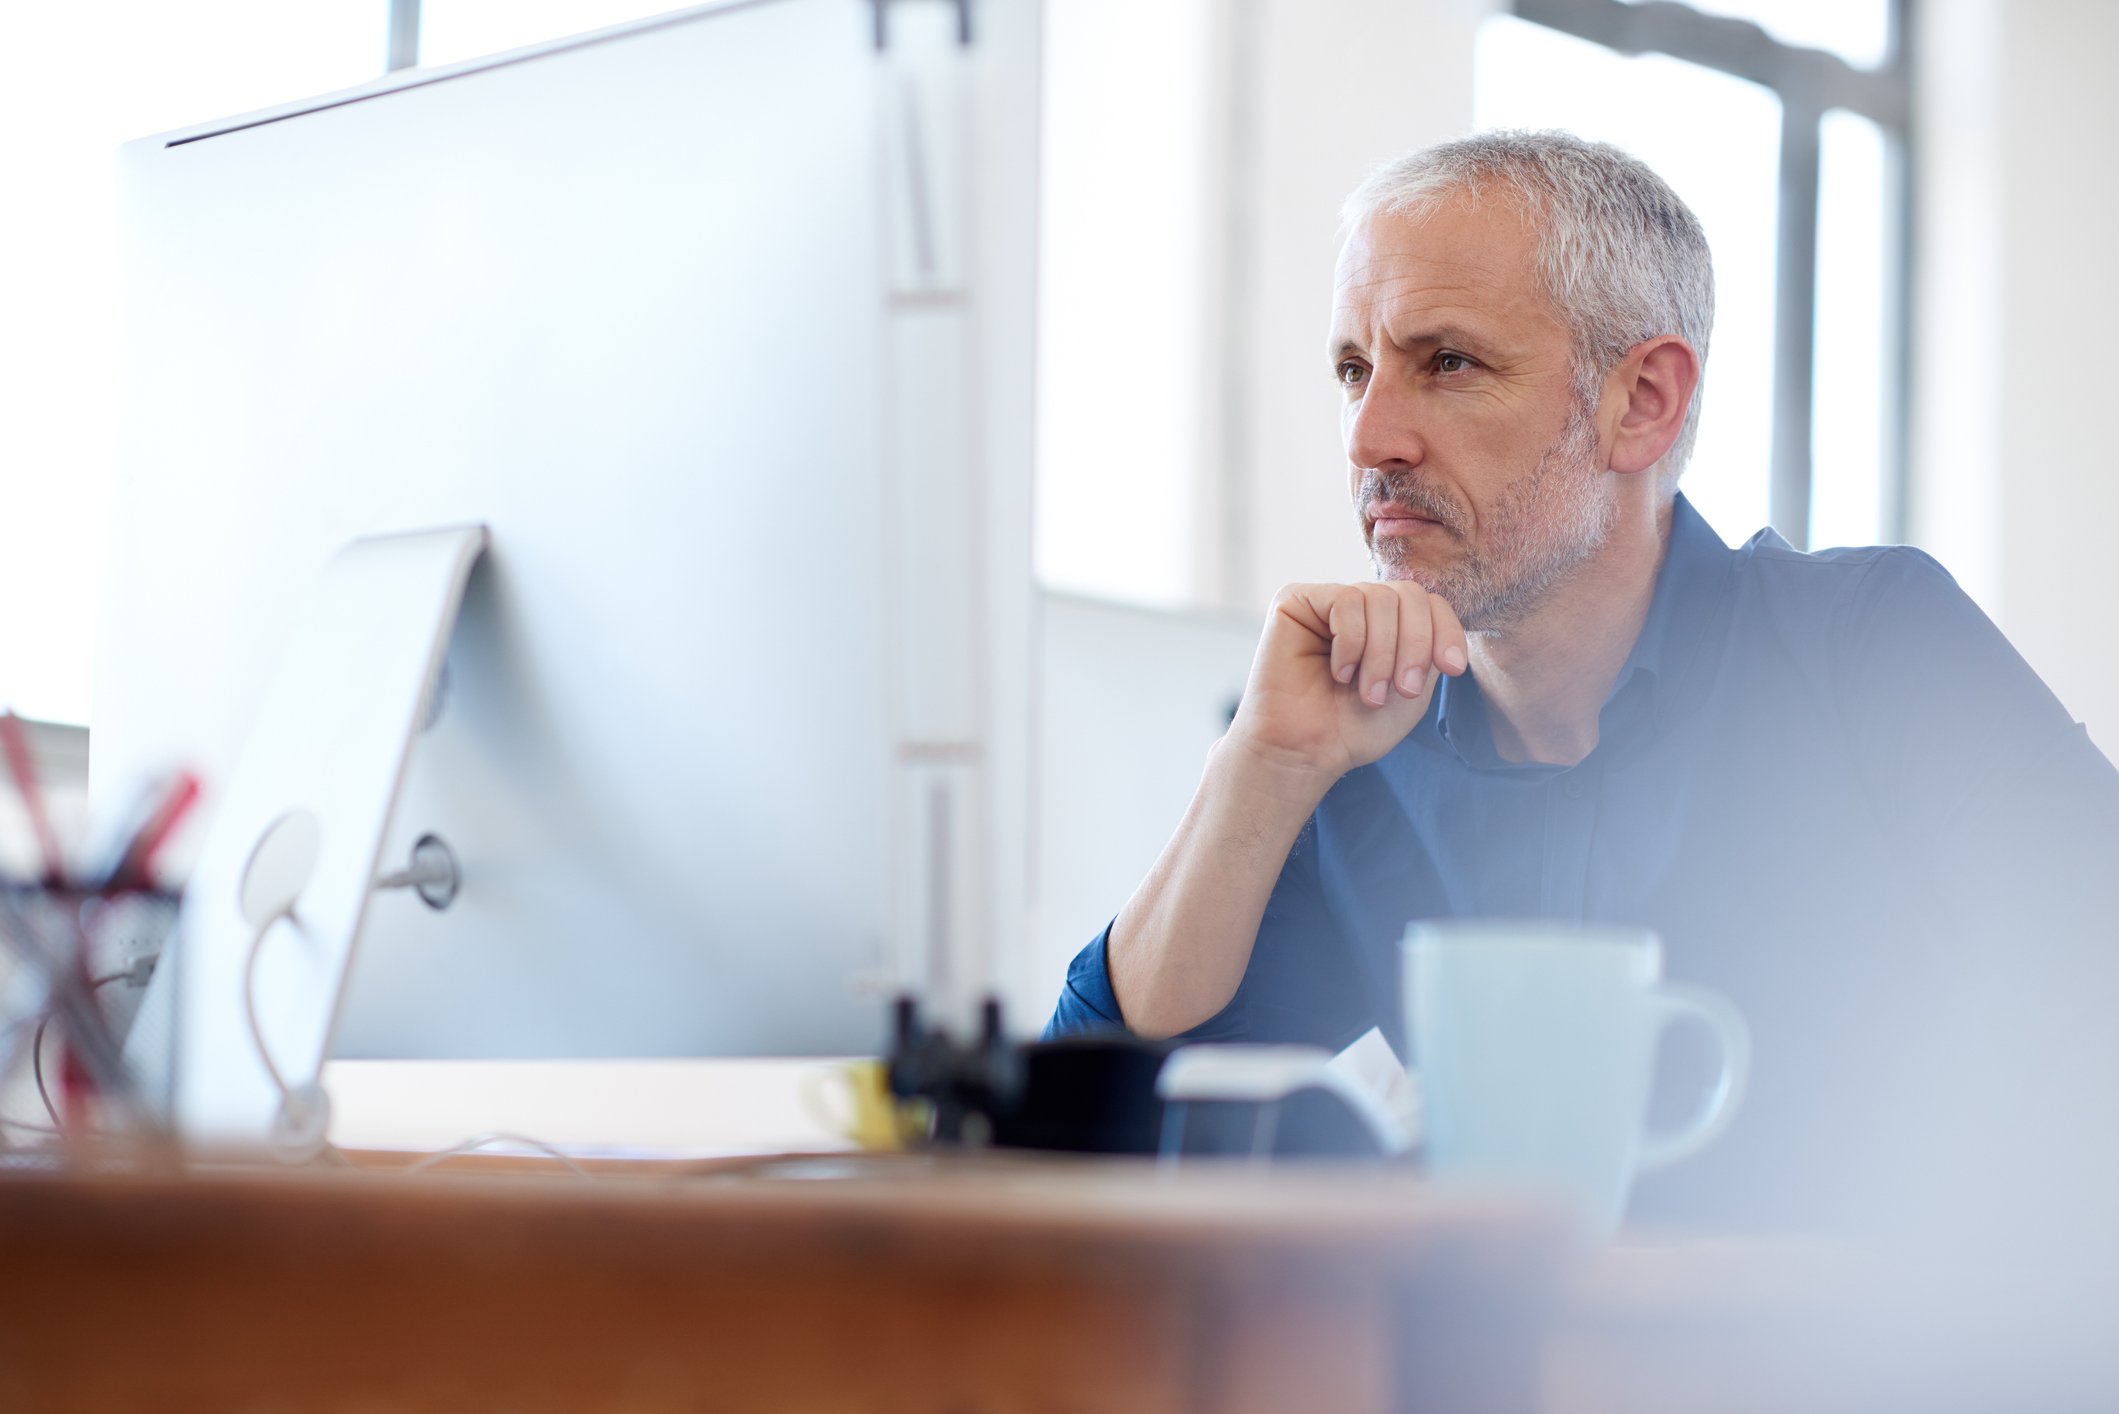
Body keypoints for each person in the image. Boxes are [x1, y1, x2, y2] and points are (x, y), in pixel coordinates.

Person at [1044, 131, 2119, 1231]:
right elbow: (1088, 1134)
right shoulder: (1356, 749)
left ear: (1642, 401)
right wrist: (1260, 770)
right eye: (1354, 371)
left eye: (1447, 363)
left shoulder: (1871, 652)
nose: (1370, 437)